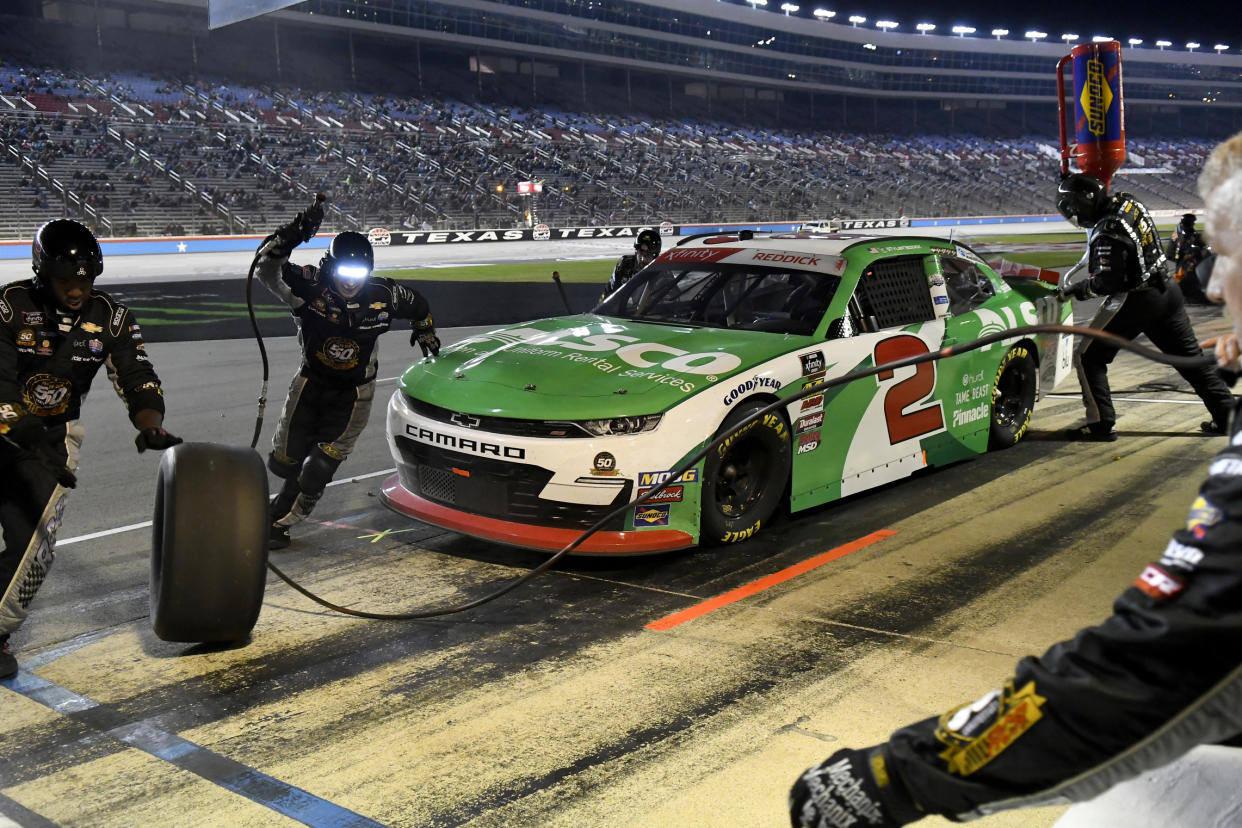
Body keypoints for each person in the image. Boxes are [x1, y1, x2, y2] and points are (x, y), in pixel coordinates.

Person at [788, 131, 1242, 827]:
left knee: (1151, 802)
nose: (1214, 285)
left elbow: (1157, 665)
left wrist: (896, 777)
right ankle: (1206, 406)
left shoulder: (1112, 223)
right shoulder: (1125, 215)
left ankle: (1103, 419)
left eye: (1231, 257)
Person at [0, 219, 181, 680]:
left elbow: (138, 377)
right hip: (5, 429)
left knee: (32, 548)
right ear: (42, 272)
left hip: (51, 444)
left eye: (86, 279)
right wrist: (16, 425)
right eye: (67, 280)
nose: (78, 290)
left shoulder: (112, 318)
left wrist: (151, 425)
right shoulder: (9, 306)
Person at [256, 203, 440, 550]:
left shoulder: (385, 296)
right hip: (309, 385)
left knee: (316, 471)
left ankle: (281, 521)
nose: (351, 280)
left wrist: (425, 329)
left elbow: (419, 304)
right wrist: (296, 231)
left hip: (354, 397)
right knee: (284, 462)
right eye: (344, 271)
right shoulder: (309, 286)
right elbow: (266, 269)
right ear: (331, 266)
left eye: (359, 272)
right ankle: (275, 503)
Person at [1054, 173, 1234, 441]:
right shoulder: (1129, 203)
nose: (1073, 215)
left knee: (1088, 356)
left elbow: (1107, 282)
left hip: (1137, 299)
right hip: (1166, 289)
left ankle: (1100, 423)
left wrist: (1077, 290)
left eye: (1073, 208)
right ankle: (1229, 418)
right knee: (1192, 361)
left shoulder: (1107, 232)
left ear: (1084, 203)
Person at [1166, 213, 1212, 305]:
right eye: (1192, 222)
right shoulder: (1184, 230)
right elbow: (1184, 244)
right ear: (1189, 222)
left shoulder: (1181, 228)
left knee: (1183, 273)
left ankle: (1184, 294)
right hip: (1180, 256)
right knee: (1183, 274)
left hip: (1176, 256)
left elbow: (1194, 238)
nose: (1193, 223)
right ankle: (1183, 295)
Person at [602, 228, 661, 298]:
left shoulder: (661, 269)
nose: (643, 258)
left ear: (655, 256)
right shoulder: (624, 263)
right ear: (636, 251)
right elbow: (610, 292)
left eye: (648, 255)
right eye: (641, 252)